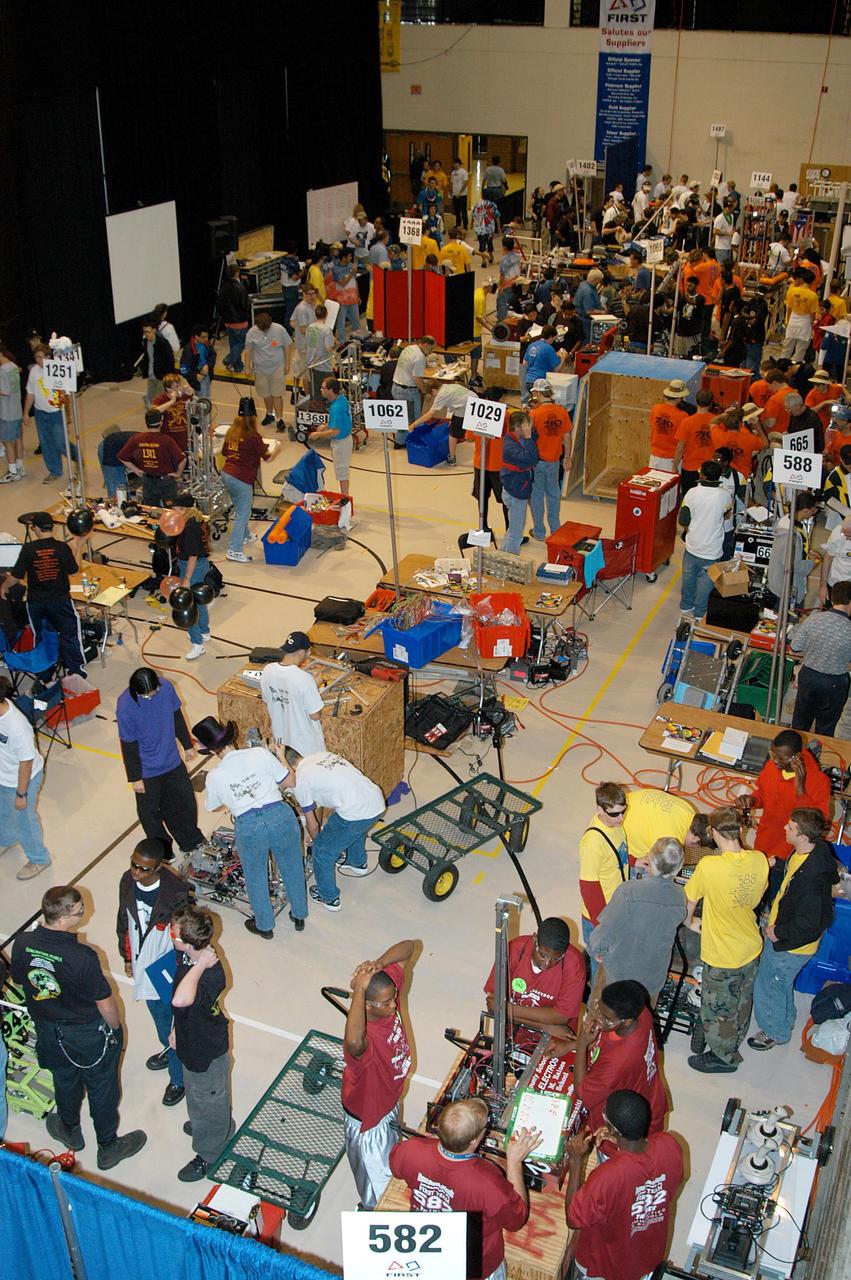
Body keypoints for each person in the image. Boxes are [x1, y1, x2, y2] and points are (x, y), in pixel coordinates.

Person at [11, 886, 147, 1169]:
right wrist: (116, 1029)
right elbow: (105, 1003)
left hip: (49, 1030)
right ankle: (108, 1146)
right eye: (80, 911)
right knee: (102, 1087)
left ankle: (69, 1127)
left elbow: (22, 982)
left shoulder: (23, 942)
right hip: (87, 1035)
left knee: (64, 1078)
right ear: (63, 918)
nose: (85, 913)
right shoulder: (82, 956)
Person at [390, 1097, 541, 1280]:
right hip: (475, 1268)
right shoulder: (486, 1180)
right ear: (475, 1141)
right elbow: (515, 1220)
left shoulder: (410, 1150)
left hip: (427, 1258)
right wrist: (515, 1162)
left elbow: (396, 1167)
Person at [195, 717, 308, 939]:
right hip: (280, 816)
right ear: (232, 738)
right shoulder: (259, 754)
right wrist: (280, 758)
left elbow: (212, 806)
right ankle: (299, 915)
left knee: (255, 875)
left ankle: (265, 926)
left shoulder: (215, 777)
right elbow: (289, 781)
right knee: (293, 865)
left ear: (210, 751)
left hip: (249, 826)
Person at [565, 1091, 685, 1280]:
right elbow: (671, 1185)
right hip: (646, 1259)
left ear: (612, 1129)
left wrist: (576, 1161)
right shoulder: (670, 1145)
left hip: (605, 1268)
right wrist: (622, 1142)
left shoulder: (608, 1176)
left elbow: (573, 1219)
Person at [684, 806, 768, 1072]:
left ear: (712, 832)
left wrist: (690, 922)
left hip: (722, 956)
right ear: (740, 830)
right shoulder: (759, 860)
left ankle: (723, 1058)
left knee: (716, 1009)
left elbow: (689, 901)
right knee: (742, 1001)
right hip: (750, 947)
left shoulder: (709, 866)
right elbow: (756, 899)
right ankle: (734, 1042)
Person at [749, 808, 839, 1052]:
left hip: (790, 945)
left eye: (790, 827)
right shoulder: (810, 852)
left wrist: (778, 933)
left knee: (770, 985)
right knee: (781, 984)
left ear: (802, 835)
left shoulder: (810, 877)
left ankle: (774, 1032)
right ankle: (784, 1020)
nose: (785, 829)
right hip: (788, 936)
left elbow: (808, 925)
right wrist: (777, 865)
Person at [116, 837, 191, 1105]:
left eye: (143, 869)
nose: (136, 872)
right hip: (142, 962)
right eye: (134, 865)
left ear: (159, 867)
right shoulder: (128, 881)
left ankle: (179, 1078)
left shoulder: (176, 892)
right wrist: (127, 956)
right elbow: (124, 919)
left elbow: (187, 936)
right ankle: (169, 1049)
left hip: (165, 966)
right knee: (157, 1015)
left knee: (168, 1023)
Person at [342, 939, 415, 1209]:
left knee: (392, 1165)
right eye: (386, 1003)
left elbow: (408, 947)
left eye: (393, 997)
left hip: (388, 1105)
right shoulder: (363, 1040)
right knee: (380, 1195)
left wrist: (378, 964)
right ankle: (371, 1213)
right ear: (368, 1005)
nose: (394, 1005)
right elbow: (352, 1043)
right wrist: (358, 992)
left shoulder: (384, 995)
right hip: (369, 1125)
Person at [170, 904, 234, 1182]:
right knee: (200, 1098)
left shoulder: (209, 973)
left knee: (209, 1099)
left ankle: (211, 1152)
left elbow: (181, 999)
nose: (170, 935)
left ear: (186, 942)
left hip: (206, 1051)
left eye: (174, 933)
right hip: (189, 1041)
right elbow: (179, 1001)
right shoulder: (189, 959)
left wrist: (199, 966)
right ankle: (206, 1125)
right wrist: (175, 1028)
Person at [116, 668, 206, 863]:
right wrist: (135, 777)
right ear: (135, 691)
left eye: (153, 693)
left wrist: (187, 745)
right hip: (147, 770)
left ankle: (190, 840)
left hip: (171, 760)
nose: (151, 697)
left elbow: (176, 716)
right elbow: (128, 744)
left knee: (185, 803)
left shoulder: (166, 688)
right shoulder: (125, 706)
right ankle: (162, 849)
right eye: (145, 696)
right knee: (150, 814)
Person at [282, 746, 385, 912]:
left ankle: (328, 897)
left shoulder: (300, 780)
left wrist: (318, 842)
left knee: (322, 852)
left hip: (355, 812)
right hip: (375, 801)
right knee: (348, 825)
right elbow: (322, 798)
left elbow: (313, 824)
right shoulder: (321, 756)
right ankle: (357, 862)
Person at [589, 838, 686, 1003]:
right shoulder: (679, 896)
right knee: (640, 1023)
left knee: (598, 1020)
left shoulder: (629, 891)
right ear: (678, 868)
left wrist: (596, 950)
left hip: (617, 977)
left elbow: (606, 932)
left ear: (650, 859)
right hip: (652, 980)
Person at [740, 729, 832, 902]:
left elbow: (815, 826)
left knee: (777, 902)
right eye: (773, 755)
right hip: (764, 845)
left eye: (780, 758)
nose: (774, 761)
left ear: (796, 757)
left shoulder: (818, 781)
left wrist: (800, 791)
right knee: (755, 899)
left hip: (789, 855)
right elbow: (763, 793)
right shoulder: (772, 766)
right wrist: (752, 800)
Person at [573, 981, 669, 1133]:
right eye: (599, 1007)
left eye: (606, 1018)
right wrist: (570, 1045)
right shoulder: (641, 1014)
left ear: (627, 1022)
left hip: (623, 1125)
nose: (598, 1018)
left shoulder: (617, 1062)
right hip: (648, 1095)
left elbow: (581, 1093)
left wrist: (581, 1044)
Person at [2, 511, 87, 676]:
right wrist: (80, 544)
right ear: (52, 527)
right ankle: (76, 671)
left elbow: (15, 577)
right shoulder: (62, 547)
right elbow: (74, 569)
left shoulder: (28, 549)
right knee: (70, 634)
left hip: (36, 603)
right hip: (61, 601)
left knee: (40, 636)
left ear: (36, 529)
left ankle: (45, 671)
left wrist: (3, 587)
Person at [483, 916, 585, 1033]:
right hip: (544, 1028)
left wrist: (507, 1009)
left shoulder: (574, 964)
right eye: (543, 955)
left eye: (556, 958)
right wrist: (545, 1027)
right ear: (534, 939)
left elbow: (561, 1016)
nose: (547, 964)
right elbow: (492, 1005)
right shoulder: (514, 950)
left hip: (559, 1034)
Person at [0, 675, 53, 880]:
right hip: (4, 775)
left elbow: (26, 762)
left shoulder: (16, 726)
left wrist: (21, 794)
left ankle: (39, 858)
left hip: (23, 780)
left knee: (24, 820)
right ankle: (6, 838)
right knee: (4, 812)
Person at [578, 783, 631, 971]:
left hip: (616, 908)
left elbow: (616, 852)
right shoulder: (592, 843)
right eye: (615, 814)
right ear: (599, 809)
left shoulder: (614, 825)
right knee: (600, 971)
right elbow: (588, 887)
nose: (621, 818)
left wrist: (634, 860)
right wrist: (602, 927)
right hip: (600, 919)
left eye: (623, 811)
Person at [789, 580, 851, 735]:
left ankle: (795, 756)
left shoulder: (814, 619)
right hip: (834, 683)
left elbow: (795, 647)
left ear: (830, 597)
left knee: (799, 724)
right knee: (825, 728)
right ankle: (817, 756)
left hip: (809, 676)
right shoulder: (849, 629)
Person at [221, 402, 280, 564]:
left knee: (240, 507)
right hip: (241, 479)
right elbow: (267, 457)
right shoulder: (254, 437)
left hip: (227, 474)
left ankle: (245, 535)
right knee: (243, 513)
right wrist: (277, 448)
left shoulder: (231, 432)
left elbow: (225, 452)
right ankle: (234, 549)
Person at [678, 460, 732, 620]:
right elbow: (727, 513)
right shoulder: (724, 495)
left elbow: (683, 519)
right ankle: (700, 613)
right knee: (706, 582)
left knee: (688, 577)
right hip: (713, 548)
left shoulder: (692, 493)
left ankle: (686, 605)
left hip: (693, 544)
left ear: (703, 475)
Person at [260, 630, 325, 755]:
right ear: (302, 652)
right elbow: (315, 715)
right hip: (306, 748)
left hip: (282, 744)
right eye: (308, 652)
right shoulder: (304, 679)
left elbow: (268, 699)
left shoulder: (268, 670)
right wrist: (314, 687)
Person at [528, 382, 571, 540]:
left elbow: (528, 438)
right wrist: (567, 457)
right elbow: (566, 437)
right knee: (553, 495)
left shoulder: (535, 414)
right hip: (554, 461)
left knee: (537, 496)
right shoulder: (562, 412)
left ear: (538, 394)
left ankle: (539, 532)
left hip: (538, 462)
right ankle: (556, 530)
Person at [118, 409, 186, 506]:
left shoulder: (137, 438)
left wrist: (136, 470)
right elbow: (182, 459)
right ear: (161, 422)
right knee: (170, 509)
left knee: (151, 510)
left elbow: (122, 457)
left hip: (148, 482)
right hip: (165, 483)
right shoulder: (166, 440)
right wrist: (178, 474)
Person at [766, 489, 821, 608]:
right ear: (805, 510)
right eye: (813, 510)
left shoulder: (786, 520)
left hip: (779, 583)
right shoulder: (789, 536)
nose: (814, 513)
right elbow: (796, 566)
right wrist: (813, 563)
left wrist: (806, 552)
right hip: (786, 589)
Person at [24, 343, 70, 483]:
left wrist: (67, 414)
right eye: (36, 357)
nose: (37, 360)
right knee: (46, 443)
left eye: (40, 357)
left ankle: (76, 459)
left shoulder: (57, 369)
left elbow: (65, 395)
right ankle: (55, 470)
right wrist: (26, 412)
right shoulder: (34, 371)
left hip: (56, 412)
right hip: (40, 413)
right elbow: (30, 393)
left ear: (48, 356)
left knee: (61, 442)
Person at [244, 310, 292, 433]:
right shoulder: (251, 332)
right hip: (260, 368)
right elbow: (248, 350)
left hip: (277, 366)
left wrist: (287, 364)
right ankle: (269, 413)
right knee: (266, 393)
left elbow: (287, 345)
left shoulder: (279, 329)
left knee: (277, 393)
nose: (265, 331)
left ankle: (279, 418)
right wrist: (247, 367)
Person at [409, 376, 473, 466]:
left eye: (432, 394)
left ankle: (452, 458)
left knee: (453, 433)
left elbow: (429, 415)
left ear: (433, 390)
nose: (433, 396)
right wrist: (453, 418)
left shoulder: (440, 395)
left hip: (466, 407)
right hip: (474, 401)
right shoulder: (449, 386)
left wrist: (413, 425)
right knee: (456, 424)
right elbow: (457, 400)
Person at [622, 787, 696, 862]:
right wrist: (634, 861)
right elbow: (657, 868)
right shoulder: (670, 843)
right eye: (695, 846)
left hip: (624, 802)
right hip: (625, 844)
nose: (692, 848)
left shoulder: (689, 810)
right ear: (695, 839)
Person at [500, 409, 538, 555]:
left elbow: (535, 438)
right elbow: (532, 458)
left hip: (516, 488)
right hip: (515, 491)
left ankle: (503, 554)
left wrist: (530, 431)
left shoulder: (517, 438)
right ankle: (510, 560)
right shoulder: (511, 446)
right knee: (516, 532)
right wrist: (528, 438)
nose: (529, 429)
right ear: (519, 427)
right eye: (526, 425)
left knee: (515, 527)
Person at [309, 376, 353, 497]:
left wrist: (318, 434)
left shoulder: (336, 407)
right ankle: (344, 495)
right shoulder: (341, 400)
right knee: (341, 470)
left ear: (331, 390)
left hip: (341, 443)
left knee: (342, 472)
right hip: (344, 440)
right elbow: (338, 421)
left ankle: (345, 497)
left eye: (323, 388)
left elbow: (336, 431)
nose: (321, 390)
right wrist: (325, 426)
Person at [391, 336, 436, 447]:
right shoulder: (419, 357)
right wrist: (426, 392)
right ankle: (404, 442)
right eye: (431, 349)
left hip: (396, 387)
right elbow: (417, 380)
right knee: (413, 419)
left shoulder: (409, 348)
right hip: (408, 392)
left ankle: (399, 439)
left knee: (401, 416)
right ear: (425, 345)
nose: (430, 353)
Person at [673, 388, 716, 495]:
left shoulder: (687, 422)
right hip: (709, 468)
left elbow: (680, 448)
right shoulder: (716, 422)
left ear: (696, 401)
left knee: (688, 498)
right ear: (711, 403)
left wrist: (674, 466)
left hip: (690, 468)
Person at [649, 379, 691, 472]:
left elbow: (652, 426)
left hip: (654, 456)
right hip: (671, 459)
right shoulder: (683, 416)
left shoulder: (656, 408)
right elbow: (681, 443)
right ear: (680, 398)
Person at [217, 264, 251, 373]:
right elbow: (245, 305)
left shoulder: (223, 287)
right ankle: (229, 359)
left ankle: (238, 367)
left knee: (234, 344)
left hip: (228, 321)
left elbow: (220, 305)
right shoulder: (240, 288)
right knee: (242, 343)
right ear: (237, 273)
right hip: (240, 321)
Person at [151, 372, 193, 453]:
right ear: (168, 389)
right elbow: (154, 412)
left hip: (183, 437)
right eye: (176, 387)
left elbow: (192, 399)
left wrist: (190, 392)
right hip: (170, 438)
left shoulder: (182, 396)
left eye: (179, 385)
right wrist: (172, 401)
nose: (179, 388)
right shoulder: (160, 399)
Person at [782, 271, 819, 361]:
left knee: (787, 349)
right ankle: (795, 369)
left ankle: (781, 367)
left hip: (793, 320)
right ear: (812, 282)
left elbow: (789, 308)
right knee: (800, 351)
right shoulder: (813, 295)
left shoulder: (792, 291)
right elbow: (812, 313)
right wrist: (812, 327)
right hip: (805, 322)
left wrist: (787, 321)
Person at [0, 345, 23, 483]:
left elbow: (5, 391)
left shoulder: (2, 370)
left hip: (7, 411)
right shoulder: (13, 366)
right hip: (16, 409)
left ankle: (12, 471)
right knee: (18, 439)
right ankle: (20, 467)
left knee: (8, 442)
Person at [140, 319, 176, 406]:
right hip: (151, 374)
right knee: (151, 397)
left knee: (160, 399)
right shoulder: (145, 342)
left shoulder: (163, 343)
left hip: (161, 376)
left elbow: (170, 360)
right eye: (144, 332)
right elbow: (147, 357)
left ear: (154, 330)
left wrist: (168, 376)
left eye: (148, 331)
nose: (146, 334)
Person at [304, 304, 336, 400]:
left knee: (316, 392)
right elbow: (328, 348)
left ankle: (316, 409)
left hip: (312, 363)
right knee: (332, 390)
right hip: (323, 365)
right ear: (326, 315)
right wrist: (335, 343)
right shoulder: (326, 330)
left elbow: (307, 344)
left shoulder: (310, 327)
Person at [331, 246, 360, 342]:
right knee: (341, 323)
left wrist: (358, 295)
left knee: (356, 321)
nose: (350, 258)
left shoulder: (351, 266)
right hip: (341, 301)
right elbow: (342, 283)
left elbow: (354, 281)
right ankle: (343, 342)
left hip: (353, 299)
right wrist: (352, 272)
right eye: (349, 256)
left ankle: (358, 340)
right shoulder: (336, 269)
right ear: (343, 258)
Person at [97, 423, 134, 499]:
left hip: (118, 448)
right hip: (108, 449)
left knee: (123, 493)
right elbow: (122, 458)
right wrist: (136, 470)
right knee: (119, 492)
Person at [820, 514, 851, 600]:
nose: (846, 538)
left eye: (849, 536)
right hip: (835, 583)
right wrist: (823, 586)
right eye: (844, 534)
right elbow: (827, 558)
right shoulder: (837, 532)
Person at [574, 269, 605, 342]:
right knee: (587, 342)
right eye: (599, 280)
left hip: (582, 319)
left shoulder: (583, 284)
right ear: (595, 279)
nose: (599, 283)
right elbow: (589, 311)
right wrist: (602, 312)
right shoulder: (587, 291)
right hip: (585, 322)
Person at [471, 195, 500, 266]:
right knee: (490, 242)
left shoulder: (477, 204)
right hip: (489, 228)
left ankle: (484, 261)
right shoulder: (492, 205)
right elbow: (497, 215)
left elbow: (473, 215)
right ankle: (491, 257)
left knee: (482, 244)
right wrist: (498, 226)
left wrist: (471, 224)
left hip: (480, 228)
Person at [450, 156, 469, 228]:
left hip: (462, 195)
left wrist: (460, 193)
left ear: (458, 163)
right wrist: (451, 191)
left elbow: (465, 183)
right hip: (455, 194)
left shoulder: (463, 172)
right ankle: (458, 223)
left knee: (463, 210)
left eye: (455, 163)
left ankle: (465, 224)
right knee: (456, 210)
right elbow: (452, 182)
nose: (454, 165)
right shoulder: (453, 173)